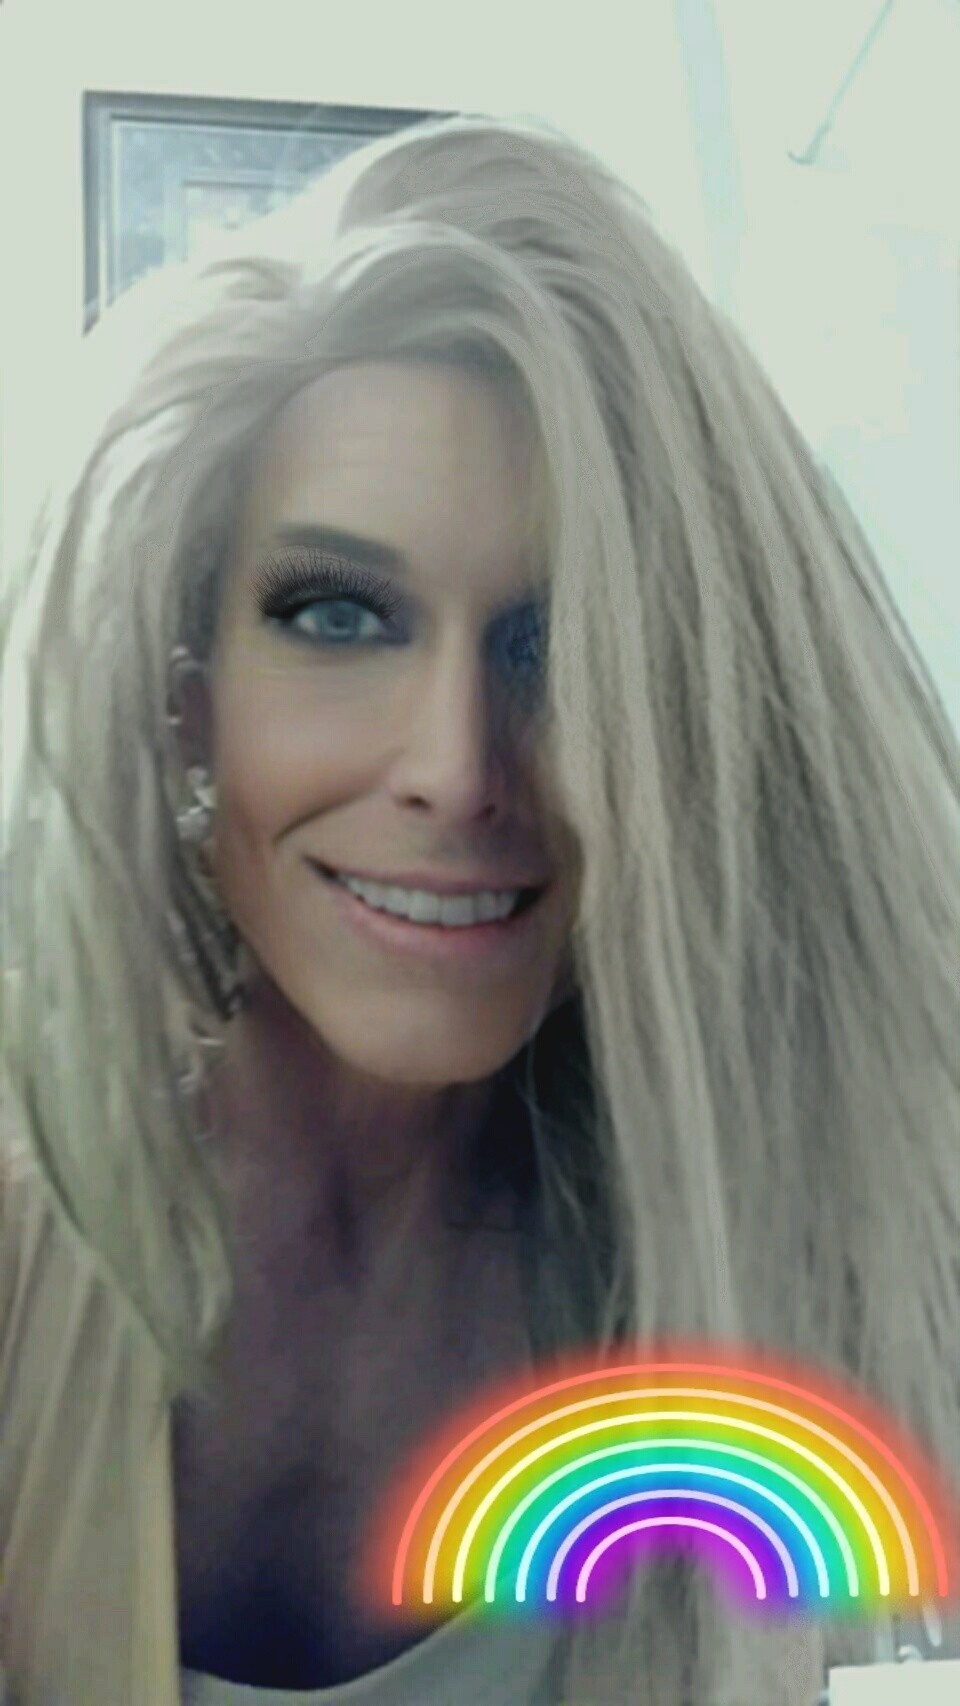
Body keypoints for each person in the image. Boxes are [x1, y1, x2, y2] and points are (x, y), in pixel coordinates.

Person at [1, 110, 958, 1706]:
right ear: (187, 701)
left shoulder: (777, 1268)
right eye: (339, 615)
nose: (455, 766)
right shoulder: (24, 1244)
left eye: (557, 646)